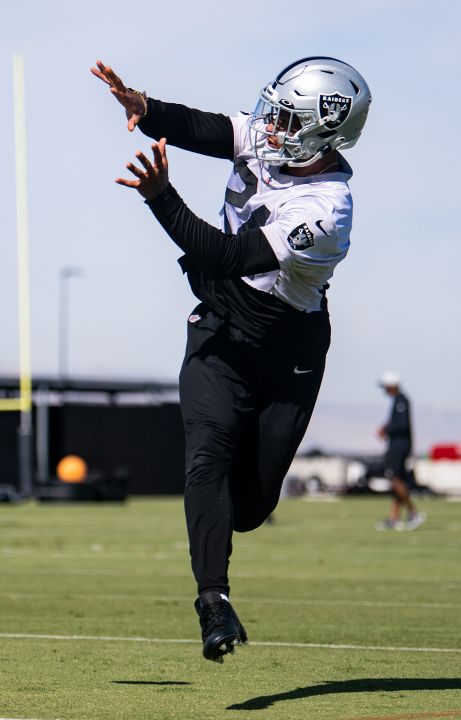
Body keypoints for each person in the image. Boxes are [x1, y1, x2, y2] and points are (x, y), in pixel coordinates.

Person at [93, 56, 370, 662]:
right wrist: (147, 109)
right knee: (205, 459)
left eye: (286, 119)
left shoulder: (327, 209)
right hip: (220, 329)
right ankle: (212, 601)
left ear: (323, 131)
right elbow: (210, 129)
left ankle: (229, 541)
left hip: (285, 346)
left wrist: (163, 199)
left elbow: (225, 254)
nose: (270, 126)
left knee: (249, 507)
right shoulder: (272, 140)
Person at [374, 372, 424, 531]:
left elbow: (402, 425)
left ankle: (413, 512)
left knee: (394, 479)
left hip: (399, 446)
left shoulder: (402, 400)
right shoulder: (397, 401)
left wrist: (386, 430)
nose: (384, 390)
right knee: (396, 481)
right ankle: (394, 519)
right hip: (398, 445)